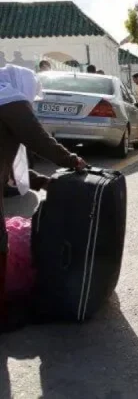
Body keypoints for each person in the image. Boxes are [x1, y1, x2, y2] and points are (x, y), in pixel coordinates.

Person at [1, 65, 86, 330]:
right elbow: (38, 139)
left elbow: (10, 166)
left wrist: (40, 181)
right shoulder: (9, 100)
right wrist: (72, 160)